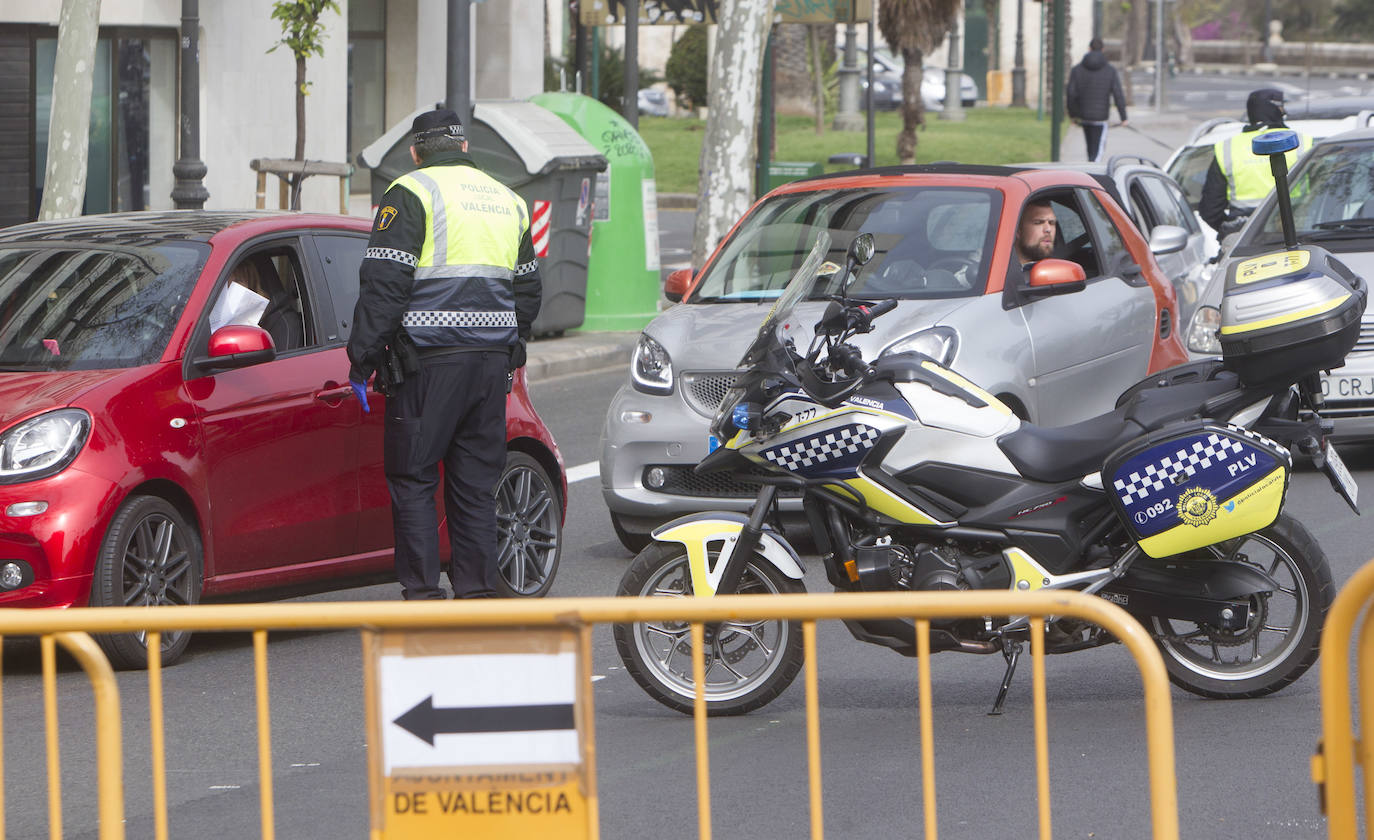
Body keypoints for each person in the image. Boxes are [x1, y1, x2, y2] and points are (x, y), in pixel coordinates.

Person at [347, 107, 542, 600]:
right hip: (489, 367)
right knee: (475, 485)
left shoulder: (410, 193)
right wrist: (510, 349)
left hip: (428, 365)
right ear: (464, 148)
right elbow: (528, 289)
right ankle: (477, 593)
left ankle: (424, 596)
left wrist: (363, 356)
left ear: (416, 152)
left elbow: (385, 283)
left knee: (412, 476)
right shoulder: (509, 201)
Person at [1199, 87, 1312, 241]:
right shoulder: (1303, 142)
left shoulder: (1227, 148)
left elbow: (1209, 209)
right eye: (1281, 107)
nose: (1284, 111)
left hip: (1244, 238)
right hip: (1296, 231)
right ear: (1275, 109)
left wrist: (1234, 231)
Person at [1066, 38, 1128, 163]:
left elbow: (1071, 94)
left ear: (1089, 49)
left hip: (1084, 116)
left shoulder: (1077, 70)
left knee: (1090, 150)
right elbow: (1118, 94)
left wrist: (1073, 115)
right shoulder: (1110, 70)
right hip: (1100, 118)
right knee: (1097, 154)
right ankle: (1093, 176)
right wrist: (1123, 117)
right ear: (1103, 50)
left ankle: (1090, 170)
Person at [1015, 199, 1058, 269]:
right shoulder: (996, 271)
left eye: (1052, 223)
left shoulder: (1058, 271)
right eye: (1038, 222)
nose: (1048, 229)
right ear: (1018, 230)